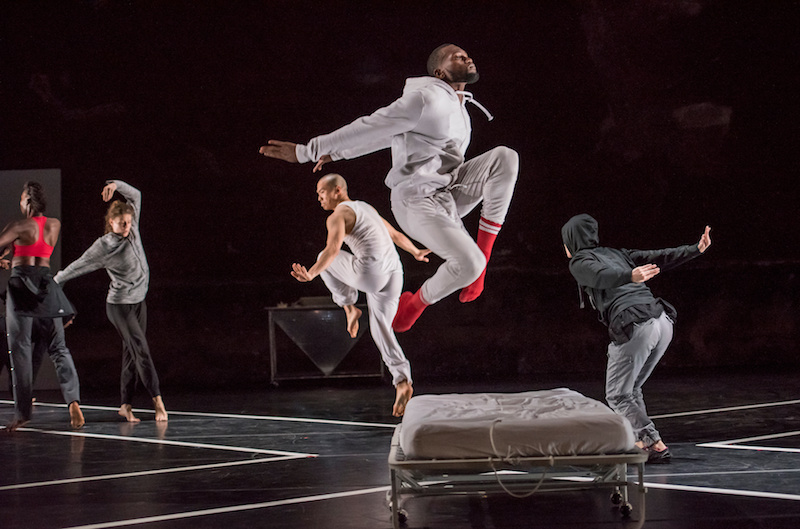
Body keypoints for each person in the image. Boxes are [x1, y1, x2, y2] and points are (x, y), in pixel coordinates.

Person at [260, 44, 519, 332]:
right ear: (439, 71)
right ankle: (416, 303)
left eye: (467, 54)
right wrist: (307, 151)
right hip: (415, 203)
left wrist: (342, 154)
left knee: (505, 158)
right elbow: (373, 125)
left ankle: (482, 258)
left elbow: (395, 135)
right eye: (456, 56)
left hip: (448, 192)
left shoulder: (460, 107)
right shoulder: (425, 98)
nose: (467, 57)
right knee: (468, 264)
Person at [561, 214, 711, 463]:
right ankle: (641, 442)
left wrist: (629, 276)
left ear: (571, 240)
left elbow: (599, 275)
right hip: (662, 321)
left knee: (618, 395)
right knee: (631, 389)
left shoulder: (579, 261)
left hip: (636, 323)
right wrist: (694, 249)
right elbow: (659, 256)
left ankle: (654, 442)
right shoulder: (617, 253)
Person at [291, 173, 430, 416]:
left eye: (321, 192)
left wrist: (312, 274)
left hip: (370, 273)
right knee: (381, 329)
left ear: (337, 190)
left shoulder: (337, 216)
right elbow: (394, 235)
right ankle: (402, 382)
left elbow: (333, 250)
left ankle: (348, 306)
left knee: (322, 259)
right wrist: (415, 251)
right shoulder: (366, 207)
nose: (318, 197)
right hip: (395, 272)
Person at [54, 180, 167, 423]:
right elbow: (80, 264)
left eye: (128, 221)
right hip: (119, 306)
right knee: (141, 350)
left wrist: (116, 185)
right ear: (111, 223)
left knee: (131, 354)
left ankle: (125, 405)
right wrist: (56, 280)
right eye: (121, 223)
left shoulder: (133, 228)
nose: (126, 226)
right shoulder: (103, 246)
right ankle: (158, 402)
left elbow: (136, 195)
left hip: (139, 302)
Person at [0, 181, 84, 431]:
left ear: (27, 201)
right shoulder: (54, 224)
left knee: (20, 349)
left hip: (22, 285)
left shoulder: (17, 226)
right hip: (46, 283)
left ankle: (22, 414)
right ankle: (73, 402)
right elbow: (34, 250)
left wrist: (5, 259)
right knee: (59, 347)